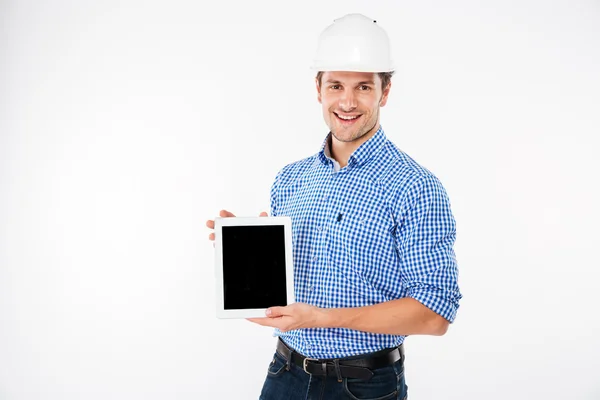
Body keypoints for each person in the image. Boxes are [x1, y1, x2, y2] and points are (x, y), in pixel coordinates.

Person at [206, 13, 462, 400]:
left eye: (363, 87)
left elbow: (435, 313)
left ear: (385, 92)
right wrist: (245, 253)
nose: (347, 101)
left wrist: (323, 319)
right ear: (318, 88)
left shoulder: (416, 187)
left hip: (365, 386)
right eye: (336, 85)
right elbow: (284, 289)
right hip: (285, 373)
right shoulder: (290, 179)